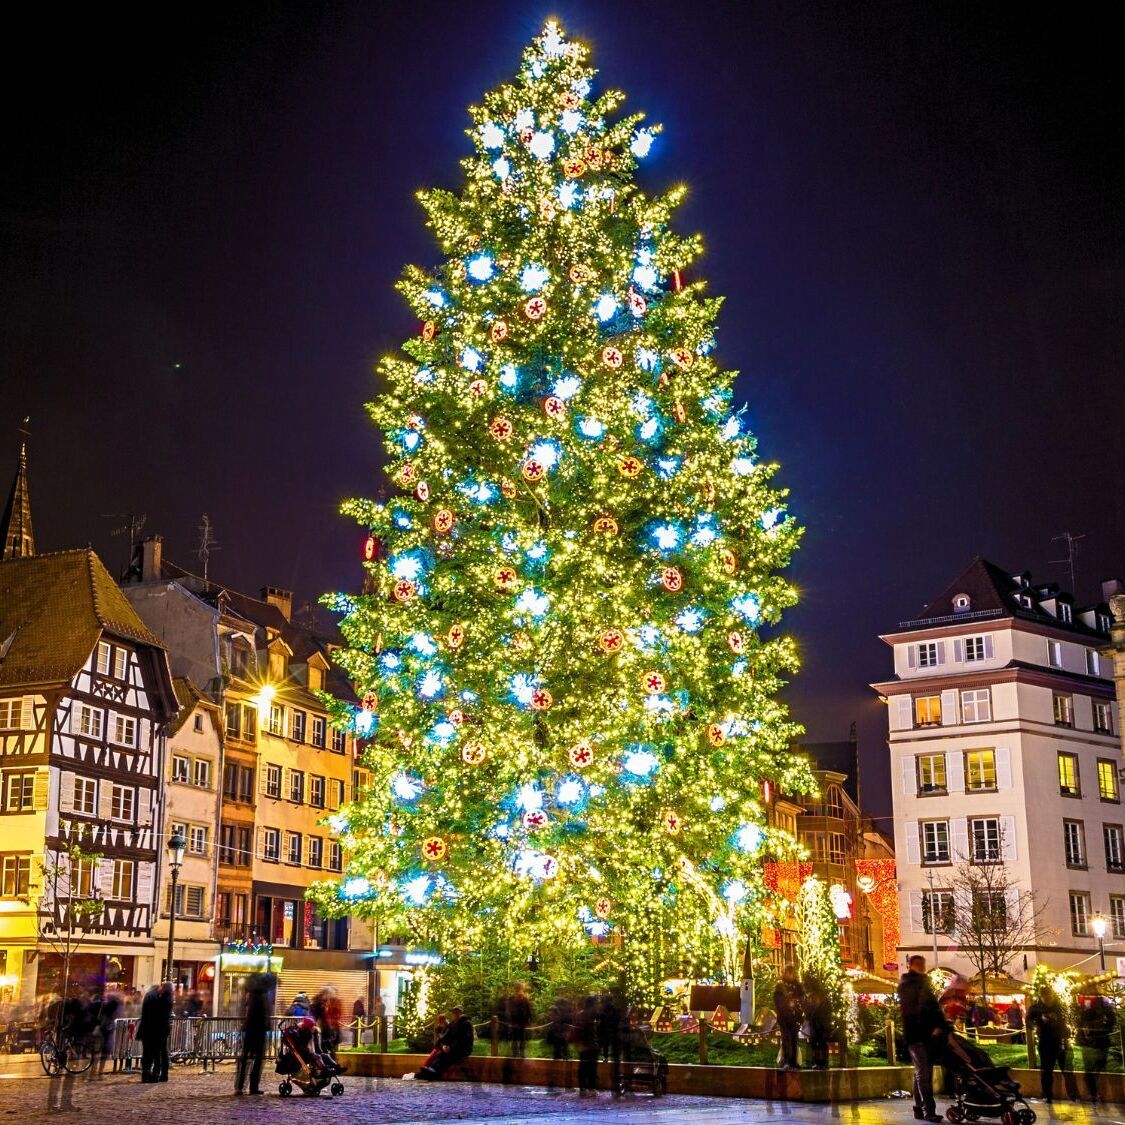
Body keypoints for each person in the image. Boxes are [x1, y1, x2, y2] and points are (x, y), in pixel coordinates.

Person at [898, 955, 948, 1123]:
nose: (922, 966)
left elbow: (928, 1007)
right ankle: (928, 1110)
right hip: (919, 1035)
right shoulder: (913, 984)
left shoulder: (917, 983)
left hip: (920, 1034)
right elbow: (922, 1009)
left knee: (920, 1072)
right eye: (918, 964)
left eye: (922, 964)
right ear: (911, 965)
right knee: (923, 1073)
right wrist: (935, 1025)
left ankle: (919, 1108)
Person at [235, 971, 274, 1096]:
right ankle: (253, 1086)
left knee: (245, 1059)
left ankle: (240, 1086)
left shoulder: (251, 994)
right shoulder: (262, 996)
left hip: (250, 1029)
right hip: (258, 1030)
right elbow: (264, 1014)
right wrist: (267, 1025)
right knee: (257, 1060)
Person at [1027, 984, 1068, 1103]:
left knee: (1065, 1067)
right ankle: (1047, 1094)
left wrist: (1059, 1025)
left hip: (1059, 1040)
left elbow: (1065, 1020)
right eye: (1045, 997)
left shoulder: (1059, 1007)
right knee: (1046, 1069)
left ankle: (1072, 1093)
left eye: (1050, 997)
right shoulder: (1036, 1008)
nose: (1048, 1000)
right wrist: (1035, 1026)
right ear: (1041, 996)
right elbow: (1028, 1020)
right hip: (1045, 1041)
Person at [1077, 987, 1115, 1104]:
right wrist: (1083, 1028)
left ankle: (1094, 1092)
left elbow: (1111, 1020)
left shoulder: (1103, 1002)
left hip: (1100, 1040)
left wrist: (1103, 1027)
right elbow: (1077, 1020)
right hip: (1087, 1041)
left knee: (1098, 1065)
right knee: (1090, 1069)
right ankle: (1093, 1094)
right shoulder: (1082, 1003)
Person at [416, 1004, 474, 1079]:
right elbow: (446, 1037)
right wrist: (443, 1045)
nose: (455, 1014)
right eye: (454, 1012)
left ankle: (434, 1072)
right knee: (440, 1054)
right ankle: (430, 1070)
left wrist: (451, 1048)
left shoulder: (466, 1024)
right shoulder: (452, 1024)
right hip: (452, 1048)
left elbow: (464, 1040)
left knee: (446, 1056)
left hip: (463, 1049)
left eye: (457, 1012)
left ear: (461, 1013)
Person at [137, 982, 173, 1083]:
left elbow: (150, 1013)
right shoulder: (165, 998)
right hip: (159, 1028)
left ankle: (150, 1074)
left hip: (153, 1028)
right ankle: (157, 1074)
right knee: (159, 1051)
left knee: (151, 1052)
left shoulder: (158, 998)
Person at [773, 963, 805, 1070]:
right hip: (785, 1019)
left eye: (793, 973)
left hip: (795, 1019)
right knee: (786, 1039)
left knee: (794, 1040)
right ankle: (786, 1061)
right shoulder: (780, 987)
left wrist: (798, 1014)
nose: (792, 975)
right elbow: (779, 1003)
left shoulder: (798, 987)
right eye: (789, 972)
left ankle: (793, 1062)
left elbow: (802, 1001)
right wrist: (787, 1011)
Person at [572, 995, 600, 1097]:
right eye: (596, 1003)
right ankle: (586, 1088)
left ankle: (586, 1088)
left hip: (589, 1045)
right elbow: (580, 1031)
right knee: (587, 1067)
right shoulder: (585, 1015)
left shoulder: (590, 1015)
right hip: (587, 1045)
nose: (597, 1005)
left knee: (588, 1067)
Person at [803, 977, 833, 1070]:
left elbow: (812, 1010)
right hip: (817, 1023)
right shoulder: (815, 997)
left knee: (820, 1043)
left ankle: (821, 1062)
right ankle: (819, 1062)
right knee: (817, 1043)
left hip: (820, 1023)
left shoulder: (817, 998)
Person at [598, 992, 623, 1095]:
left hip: (605, 1034)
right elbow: (618, 1020)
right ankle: (616, 1084)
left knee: (605, 1046)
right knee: (616, 1059)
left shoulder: (602, 1010)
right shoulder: (615, 1009)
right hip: (614, 1035)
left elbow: (600, 1021)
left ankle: (605, 1057)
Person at [507, 982, 532, 1058]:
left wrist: (528, 1019)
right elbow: (511, 1010)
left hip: (521, 1021)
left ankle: (521, 1053)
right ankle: (516, 1053)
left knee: (521, 1037)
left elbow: (527, 1010)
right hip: (516, 1021)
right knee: (516, 1037)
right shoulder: (513, 998)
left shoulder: (524, 998)